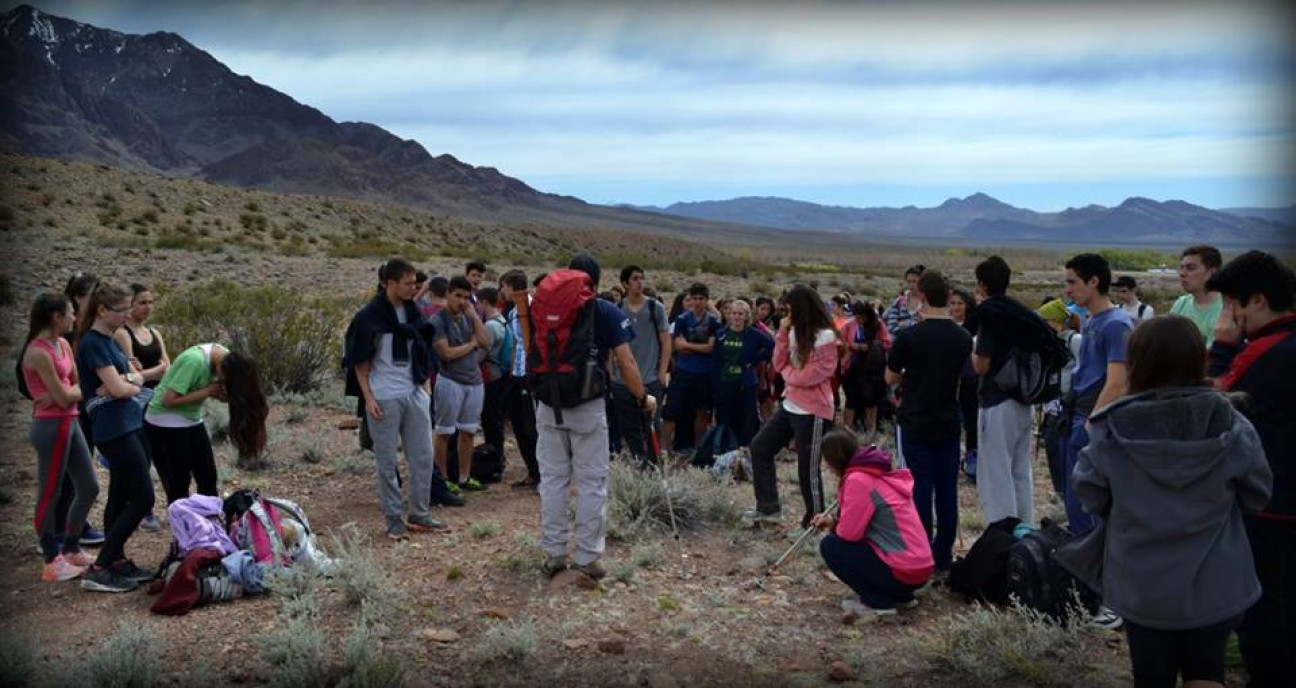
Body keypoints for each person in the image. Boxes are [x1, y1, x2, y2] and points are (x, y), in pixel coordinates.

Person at [1057, 315, 1271, 688]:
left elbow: (1088, 492)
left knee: (1151, 674)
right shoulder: (1232, 423)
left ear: (1138, 362)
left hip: (1142, 581)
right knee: (1207, 672)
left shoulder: (1111, 427)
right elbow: (1258, 492)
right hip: (1216, 577)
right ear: (1197, 359)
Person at [1205, 251, 1296, 687]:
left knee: (1261, 611)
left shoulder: (1262, 353)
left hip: (1269, 506)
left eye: (1232, 305)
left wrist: (1221, 351)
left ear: (1257, 300)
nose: (1230, 317)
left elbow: (1209, 407)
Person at [534, 254, 656, 579]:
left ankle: (554, 553)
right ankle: (587, 557)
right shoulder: (604, 310)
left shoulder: (544, 305)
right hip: (587, 405)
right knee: (591, 483)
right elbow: (627, 363)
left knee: (553, 481)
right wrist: (643, 396)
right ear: (596, 280)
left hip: (547, 403)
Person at [343, 258, 447, 540]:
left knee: (423, 456)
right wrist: (368, 397)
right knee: (387, 462)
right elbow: (359, 360)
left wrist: (424, 385)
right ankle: (393, 520)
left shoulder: (414, 314)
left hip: (413, 391)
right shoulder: (369, 318)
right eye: (407, 283)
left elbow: (423, 348)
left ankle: (419, 513)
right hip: (384, 396)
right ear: (388, 283)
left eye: (415, 283)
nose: (413, 288)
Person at [884, 270, 973, 573]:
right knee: (947, 489)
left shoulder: (910, 335)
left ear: (920, 294)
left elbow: (890, 376)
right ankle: (943, 555)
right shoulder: (962, 337)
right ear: (948, 296)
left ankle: (921, 551)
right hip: (948, 419)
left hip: (915, 419)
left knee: (919, 487)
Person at [73, 283, 155, 592]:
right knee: (143, 497)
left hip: (130, 422)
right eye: (121, 309)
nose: (127, 314)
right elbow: (123, 388)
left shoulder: (110, 340)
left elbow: (135, 378)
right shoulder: (94, 343)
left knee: (120, 495)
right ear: (102, 310)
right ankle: (102, 565)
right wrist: (129, 382)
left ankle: (117, 560)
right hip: (113, 428)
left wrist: (128, 380)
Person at [813, 430, 934, 620]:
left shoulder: (858, 480)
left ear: (833, 459)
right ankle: (902, 596)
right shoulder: (878, 471)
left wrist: (833, 525)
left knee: (831, 546)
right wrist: (834, 521)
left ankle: (878, 602)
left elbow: (849, 534)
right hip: (921, 568)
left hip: (902, 570)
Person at [970, 256, 1055, 525]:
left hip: (996, 400)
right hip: (1023, 399)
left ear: (981, 284)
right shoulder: (1019, 313)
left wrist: (969, 351)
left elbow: (982, 365)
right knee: (1020, 470)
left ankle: (1002, 534)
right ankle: (1024, 529)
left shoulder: (992, 315)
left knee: (996, 472)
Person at [746, 285, 840, 529]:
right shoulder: (792, 330)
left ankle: (814, 522)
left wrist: (789, 375)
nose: (787, 314)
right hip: (791, 404)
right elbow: (778, 362)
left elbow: (817, 373)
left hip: (814, 410)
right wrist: (783, 333)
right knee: (760, 448)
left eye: (790, 309)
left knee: (807, 469)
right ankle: (768, 508)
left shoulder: (826, 336)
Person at [22, 293, 98, 581]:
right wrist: (73, 393)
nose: (74, 318)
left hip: (71, 421)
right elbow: (67, 395)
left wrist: (70, 394)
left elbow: (75, 387)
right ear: (56, 316)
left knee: (89, 486)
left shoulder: (63, 344)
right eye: (70, 313)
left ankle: (70, 546)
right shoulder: (38, 352)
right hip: (51, 427)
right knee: (50, 492)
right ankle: (51, 558)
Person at [1061, 253, 1134, 539]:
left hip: (1093, 419)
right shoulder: (1092, 320)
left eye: (1073, 282)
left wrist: (1093, 424)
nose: (1067, 289)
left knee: (1087, 503)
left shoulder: (1116, 324)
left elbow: (1118, 381)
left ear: (1094, 281)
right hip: (1077, 414)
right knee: (1073, 499)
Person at [144, 343, 267, 504]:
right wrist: (208, 391)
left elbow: (219, 391)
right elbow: (169, 400)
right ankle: (182, 520)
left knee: (207, 474)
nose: (221, 380)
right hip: (165, 421)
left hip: (191, 418)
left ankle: (209, 520)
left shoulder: (227, 360)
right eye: (223, 378)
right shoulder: (194, 362)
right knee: (179, 479)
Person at [113, 283, 170, 531]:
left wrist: (149, 372)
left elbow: (168, 365)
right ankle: (142, 510)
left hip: (158, 397)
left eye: (150, 302)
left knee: (163, 454)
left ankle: (171, 505)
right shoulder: (123, 333)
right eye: (141, 302)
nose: (147, 307)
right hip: (137, 399)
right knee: (142, 454)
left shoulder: (155, 333)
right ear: (130, 305)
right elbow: (132, 373)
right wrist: (153, 371)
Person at [431, 276, 492, 492]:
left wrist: (475, 318)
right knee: (445, 431)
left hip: (473, 381)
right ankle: (442, 478)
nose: (462, 301)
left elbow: (487, 341)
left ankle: (465, 477)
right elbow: (446, 353)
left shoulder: (468, 318)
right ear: (448, 293)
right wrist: (472, 344)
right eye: (457, 296)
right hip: (450, 380)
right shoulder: (438, 320)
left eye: (466, 297)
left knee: (468, 431)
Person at [611, 265, 671, 468]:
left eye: (642, 278)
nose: (639, 283)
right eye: (635, 279)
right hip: (622, 381)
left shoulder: (656, 308)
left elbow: (666, 341)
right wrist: (611, 371)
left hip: (650, 379)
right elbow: (611, 345)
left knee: (652, 426)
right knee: (629, 428)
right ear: (625, 283)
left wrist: (662, 372)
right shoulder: (617, 310)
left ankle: (654, 467)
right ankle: (640, 465)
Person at [662, 282, 722, 454]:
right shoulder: (682, 320)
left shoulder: (712, 322)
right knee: (672, 409)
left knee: (702, 412)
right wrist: (698, 347)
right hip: (683, 371)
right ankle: (665, 448)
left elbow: (711, 348)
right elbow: (677, 346)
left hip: (704, 373)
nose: (697, 302)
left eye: (701, 299)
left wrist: (688, 345)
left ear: (706, 300)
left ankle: (699, 449)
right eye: (694, 298)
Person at [711, 299, 774, 447]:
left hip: (746, 384)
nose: (736, 317)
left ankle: (745, 450)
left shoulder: (753, 334)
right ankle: (726, 449)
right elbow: (716, 360)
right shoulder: (721, 334)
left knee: (746, 419)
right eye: (733, 313)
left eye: (740, 314)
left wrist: (754, 360)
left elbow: (771, 345)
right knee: (725, 418)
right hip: (725, 382)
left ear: (746, 316)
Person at [499, 269, 540, 488]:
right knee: (519, 424)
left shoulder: (532, 308)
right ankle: (532, 471)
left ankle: (541, 473)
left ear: (508, 285)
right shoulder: (514, 311)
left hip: (529, 373)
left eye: (503, 287)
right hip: (517, 373)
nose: (502, 292)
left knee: (532, 425)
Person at [840, 301, 889, 435]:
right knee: (851, 399)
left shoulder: (878, 325)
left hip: (872, 370)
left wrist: (869, 347)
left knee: (870, 400)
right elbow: (840, 340)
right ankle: (847, 431)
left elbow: (887, 343)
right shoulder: (850, 325)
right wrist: (849, 346)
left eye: (861, 317)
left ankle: (870, 431)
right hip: (852, 368)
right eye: (856, 317)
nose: (858, 320)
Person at [477, 286, 511, 461]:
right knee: (496, 419)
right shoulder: (501, 320)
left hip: (490, 376)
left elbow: (483, 352)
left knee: (490, 420)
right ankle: (498, 455)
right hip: (500, 375)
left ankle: (494, 458)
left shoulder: (490, 325)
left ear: (484, 302)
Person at [948, 288, 979, 477]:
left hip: (969, 379)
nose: (956, 307)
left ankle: (972, 460)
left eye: (960, 303)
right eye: (952, 303)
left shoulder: (973, 327)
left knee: (970, 421)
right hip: (948, 379)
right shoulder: (945, 325)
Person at [1170, 245, 1224, 347]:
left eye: (1190, 268)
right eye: (1181, 268)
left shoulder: (1226, 308)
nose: (1182, 273)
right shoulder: (1181, 303)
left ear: (1212, 271)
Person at [883, 264, 925, 336]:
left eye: (914, 281)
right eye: (909, 282)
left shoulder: (928, 302)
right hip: (899, 342)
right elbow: (891, 325)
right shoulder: (900, 301)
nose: (911, 285)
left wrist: (904, 324)